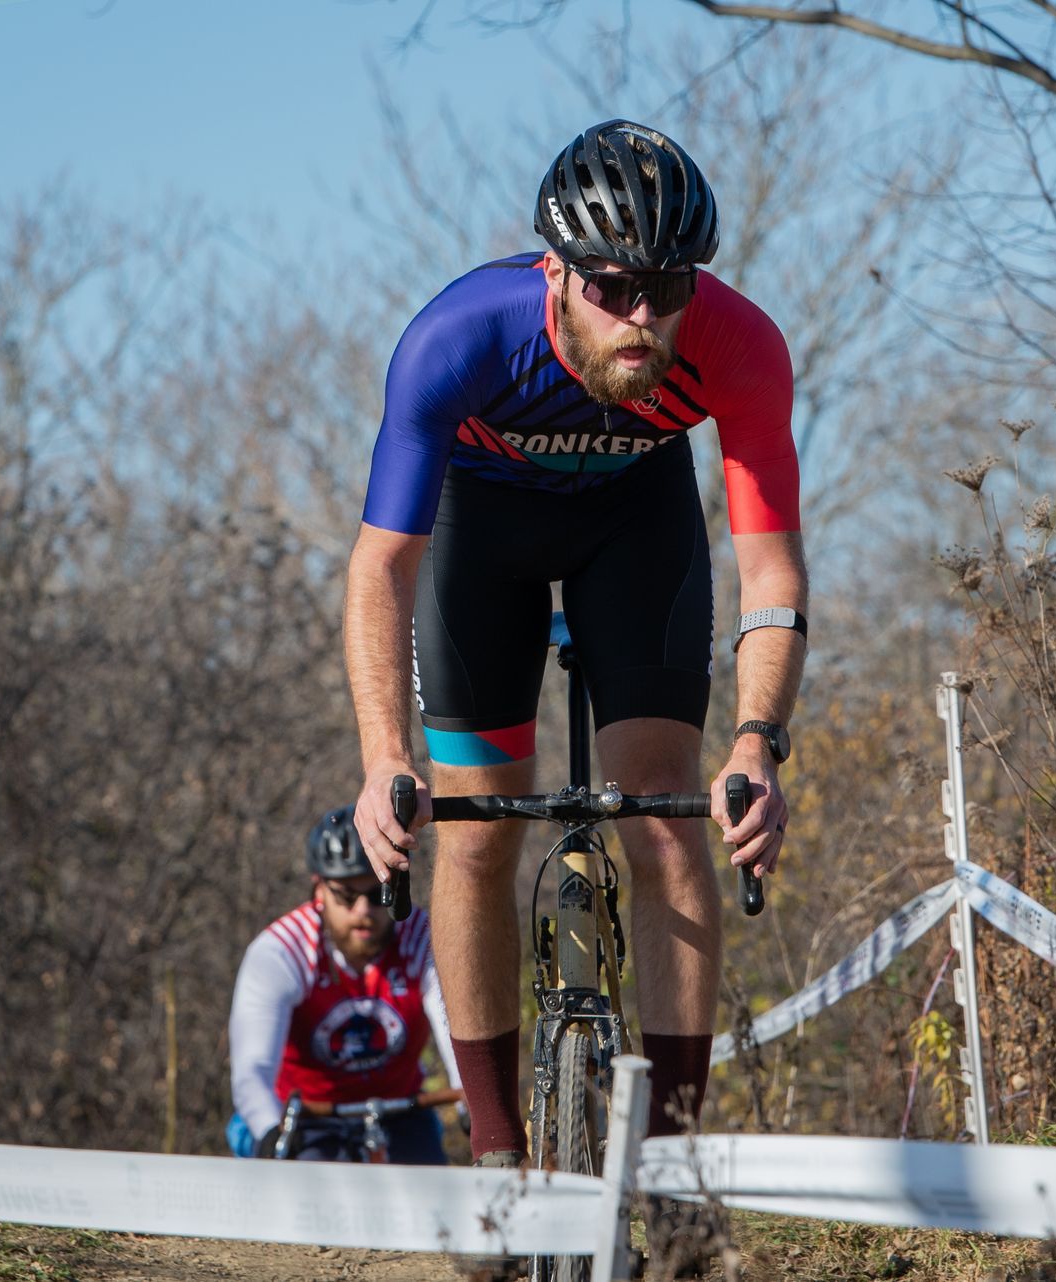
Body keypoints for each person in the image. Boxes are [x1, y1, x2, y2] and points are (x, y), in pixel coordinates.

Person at [342, 119, 808, 1166]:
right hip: (483, 529)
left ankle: (676, 1164)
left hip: (635, 523)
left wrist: (757, 746)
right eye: (610, 289)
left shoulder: (740, 344)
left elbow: (771, 569)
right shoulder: (456, 338)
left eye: (668, 288)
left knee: (667, 815)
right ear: (553, 270)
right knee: (472, 830)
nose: (643, 318)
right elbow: (382, 565)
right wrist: (383, 757)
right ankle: (500, 1153)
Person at [227, 805, 461, 1163]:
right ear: (319, 890)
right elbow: (252, 1071)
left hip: (401, 1111)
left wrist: (474, 1101)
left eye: (376, 894)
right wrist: (270, 1132)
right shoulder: (282, 951)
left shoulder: (421, 938)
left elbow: (456, 1035)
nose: (363, 911)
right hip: (307, 1117)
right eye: (347, 897)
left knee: (433, 1200)